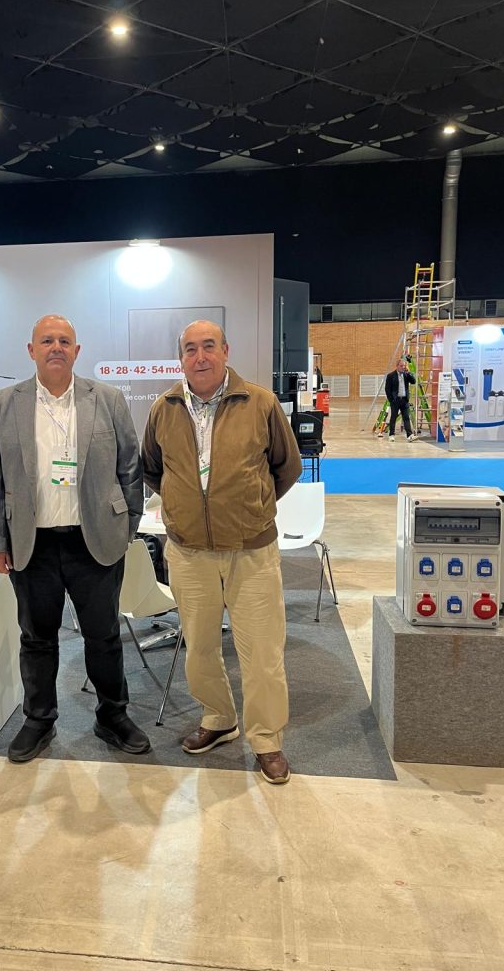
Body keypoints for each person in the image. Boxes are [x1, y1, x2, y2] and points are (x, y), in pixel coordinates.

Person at [0, 314, 150, 763]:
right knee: (37, 638)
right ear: (31, 350)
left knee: (104, 635)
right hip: (31, 543)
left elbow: (130, 467)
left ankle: (112, 716)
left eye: (64, 341)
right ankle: (39, 720)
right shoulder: (3, 403)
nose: (56, 347)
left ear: (77, 350)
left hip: (95, 541)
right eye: (47, 340)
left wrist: (127, 526)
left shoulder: (107, 399)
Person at [142, 320, 302, 784]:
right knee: (200, 648)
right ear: (181, 358)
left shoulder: (260, 403)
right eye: (190, 349)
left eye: (209, 346)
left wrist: (250, 508)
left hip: (251, 550)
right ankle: (218, 719)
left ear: (226, 351)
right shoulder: (164, 408)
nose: (200, 357)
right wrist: (186, 508)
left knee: (262, 652)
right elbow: (152, 469)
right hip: (189, 552)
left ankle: (267, 739)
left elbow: (287, 466)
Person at [385, 358, 416, 442]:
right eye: (401, 366)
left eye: (404, 366)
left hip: (404, 400)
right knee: (393, 417)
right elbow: (387, 389)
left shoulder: (406, 375)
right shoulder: (391, 375)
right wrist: (391, 399)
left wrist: (408, 373)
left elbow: (413, 381)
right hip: (395, 400)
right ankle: (391, 434)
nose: (403, 367)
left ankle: (409, 435)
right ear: (397, 366)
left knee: (406, 417)